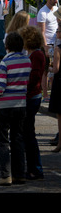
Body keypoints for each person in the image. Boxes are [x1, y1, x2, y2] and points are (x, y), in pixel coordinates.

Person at [0, 32, 31, 186]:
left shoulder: (4, 62)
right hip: (20, 104)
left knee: (2, 140)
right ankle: (19, 174)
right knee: (18, 139)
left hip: (5, 105)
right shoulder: (27, 61)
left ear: (6, 46)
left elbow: (0, 86)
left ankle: (5, 175)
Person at [18, 25, 46, 178]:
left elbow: (34, 77)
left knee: (28, 134)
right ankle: (33, 167)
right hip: (32, 96)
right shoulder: (35, 54)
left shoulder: (36, 55)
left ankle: (35, 168)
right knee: (27, 133)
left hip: (31, 96)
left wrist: (22, 85)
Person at [37, 0, 59, 102]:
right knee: (45, 70)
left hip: (56, 43)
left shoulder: (56, 9)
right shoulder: (42, 12)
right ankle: (45, 95)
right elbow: (42, 32)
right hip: (47, 44)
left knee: (55, 69)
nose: (56, 1)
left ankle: (52, 93)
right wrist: (45, 47)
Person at [48, 22, 61, 153]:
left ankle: (60, 143)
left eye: (58, 31)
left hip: (60, 81)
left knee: (60, 115)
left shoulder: (58, 48)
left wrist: (49, 67)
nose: (56, 33)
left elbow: (56, 69)